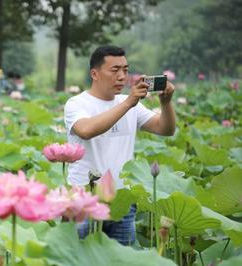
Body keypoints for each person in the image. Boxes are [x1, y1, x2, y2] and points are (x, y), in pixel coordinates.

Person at [64, 45, 176, 245]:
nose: (122, 76)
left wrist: (166, 103)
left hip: (122, 201)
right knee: (80, 259)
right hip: (84, 198)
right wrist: (127, 103)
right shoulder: (77, 103)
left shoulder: (131, 104)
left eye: (125, 70)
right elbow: (86, 130)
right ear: (94, 74)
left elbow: (165, 129)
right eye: (115, 70)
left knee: (120, 260)